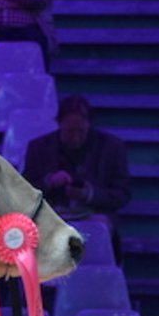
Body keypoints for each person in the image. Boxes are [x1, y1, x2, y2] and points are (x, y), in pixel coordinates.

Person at [22, 95, 131, 253]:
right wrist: (49, 182)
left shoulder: (112, 148)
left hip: (96, 215)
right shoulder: (38, 148)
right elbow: (25, 192)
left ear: (89, 125)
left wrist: (90, 195)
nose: (76, 137)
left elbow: (122, 194)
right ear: (59, 124)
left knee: (99, 229)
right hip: (52, 213)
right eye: (70, 131)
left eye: (81, 131)